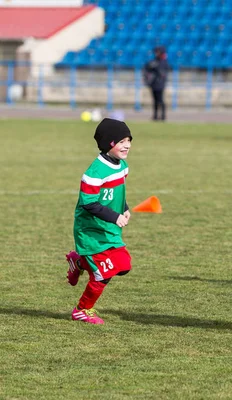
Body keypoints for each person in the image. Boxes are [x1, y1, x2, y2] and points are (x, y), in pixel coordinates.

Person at [65, 118, 133, 324]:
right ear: (109, 143)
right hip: (90, 230)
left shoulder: (122, 166)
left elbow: (116, 193)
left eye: (129, 140)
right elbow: (89, 203)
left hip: (108, 228)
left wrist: (124, 207)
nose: (127, 145)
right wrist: (115, 216)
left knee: (123, 266)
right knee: (103, 274)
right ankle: (82, 310)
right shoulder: (94, 173)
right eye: (121, 141)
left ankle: (79, 261)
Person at [143, 46, 169, 121]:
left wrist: (156, 68)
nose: (156, 53)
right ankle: (155, 116)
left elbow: (162, 72)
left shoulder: (163, 61)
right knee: (155, 101)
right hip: (154, 84)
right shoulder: (154, 61)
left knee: (160, 100)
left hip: (160, 84)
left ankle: (163, 116)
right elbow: (147, 67)